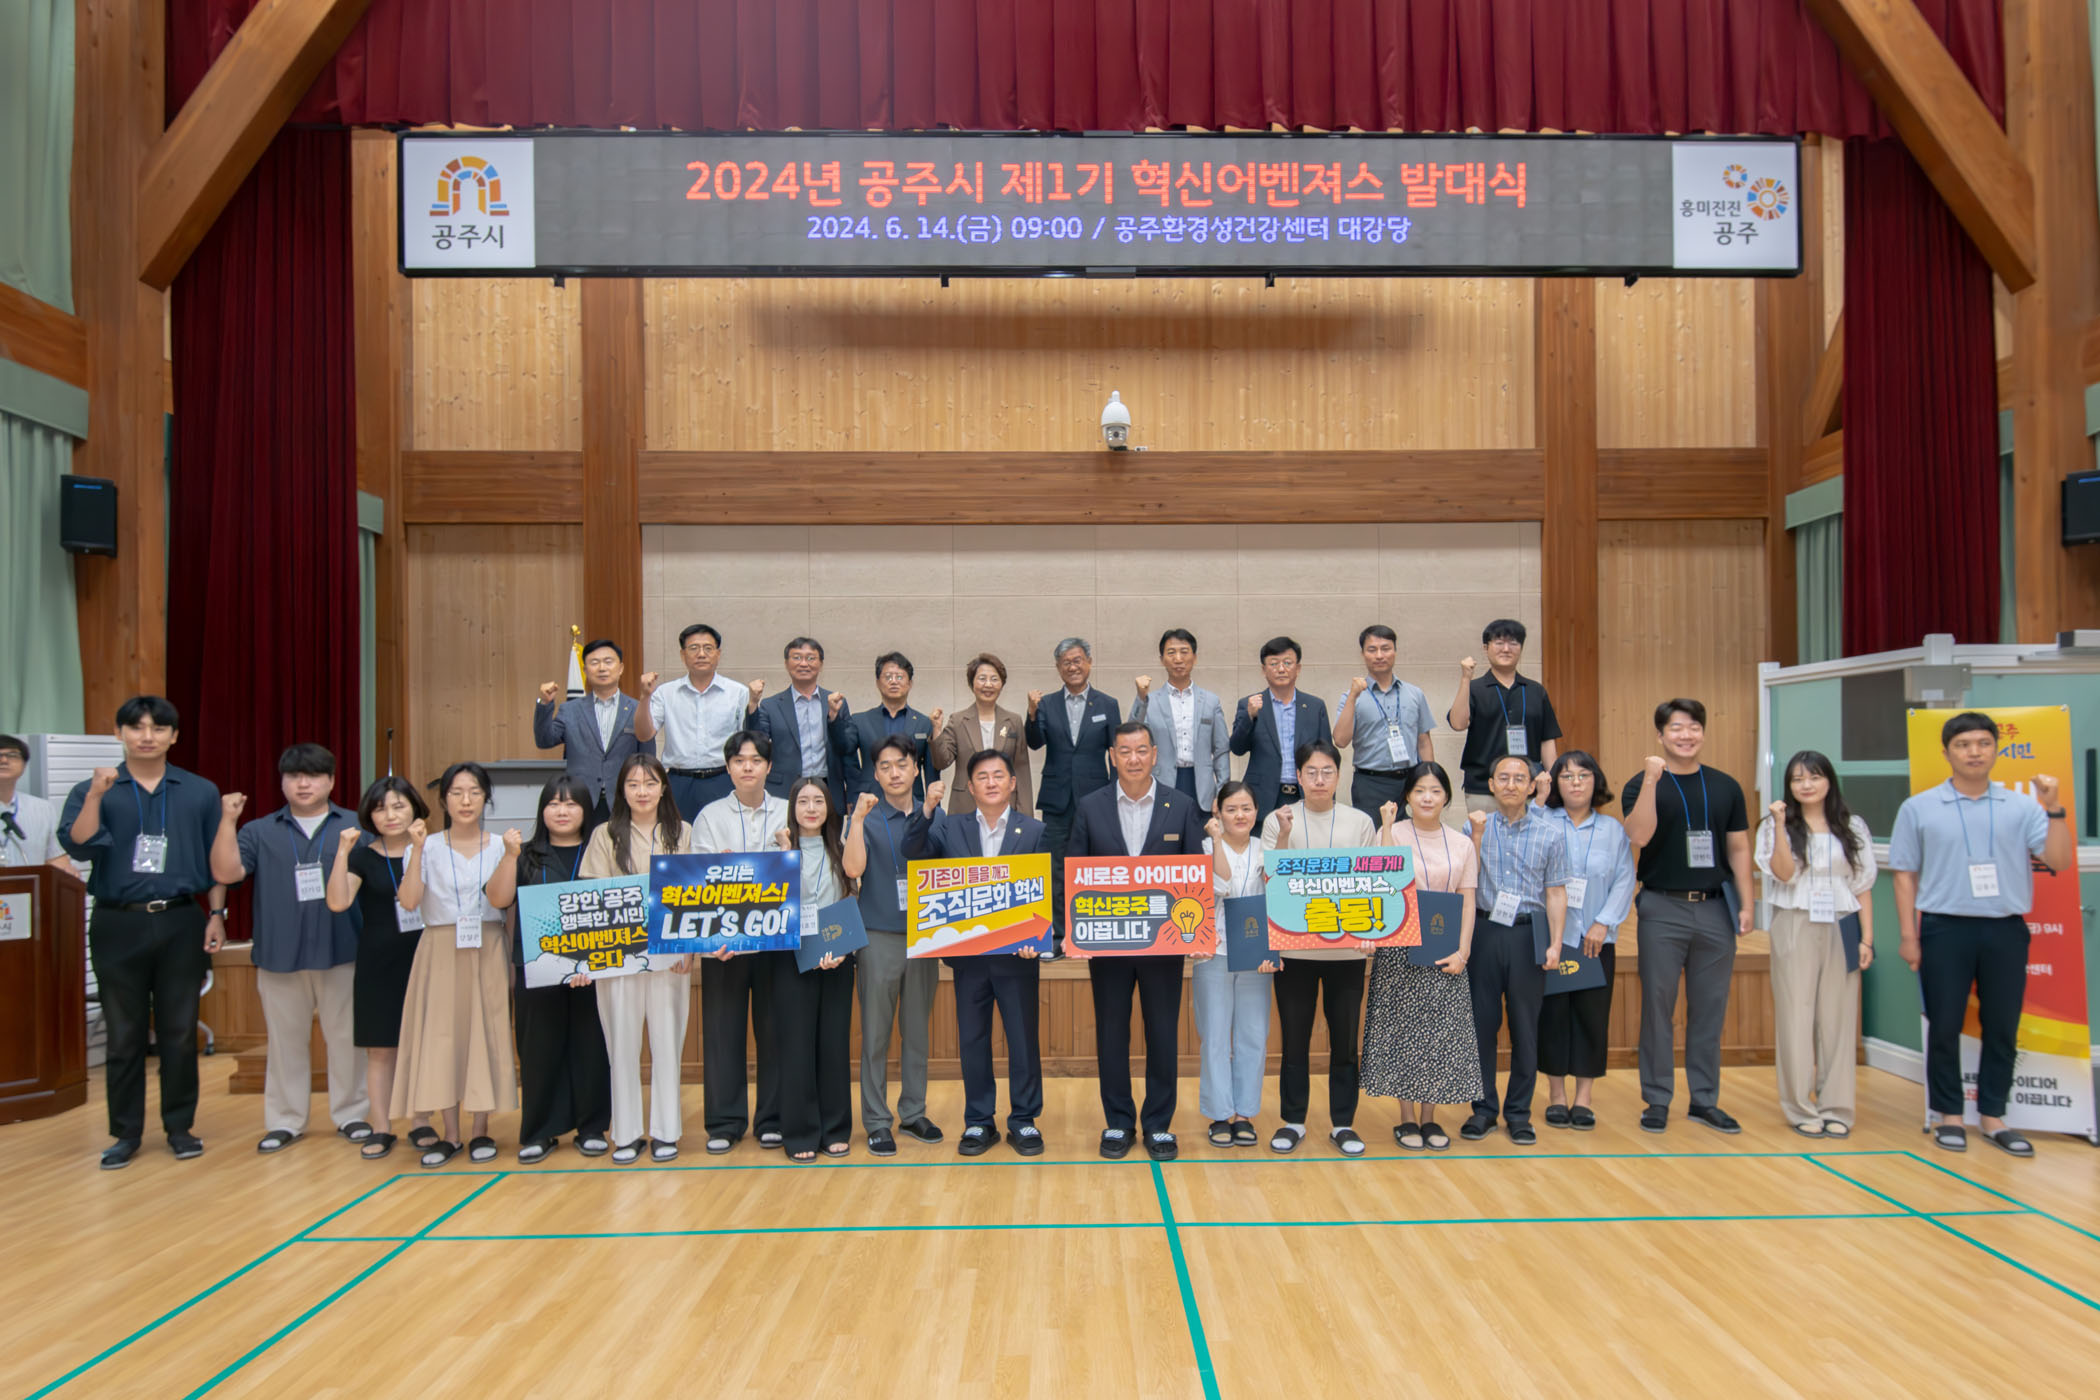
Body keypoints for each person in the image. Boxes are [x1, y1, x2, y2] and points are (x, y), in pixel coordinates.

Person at [1890, 712, 2070, 1158]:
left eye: (1983, 743)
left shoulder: (2022, 806)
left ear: (1995, 749)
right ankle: (1949, 1115)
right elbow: (1904, 874)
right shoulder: (1919, 807)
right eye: (1964, 744)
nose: (1974, 752)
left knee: (2002, 1025)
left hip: (2004, 928)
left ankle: (1993, 1117)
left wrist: (2054, 809)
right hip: (1943, 927)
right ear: (1947, 752)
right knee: (1945, 1024)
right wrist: (1909, 935)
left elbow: (2059, 860)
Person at [59, 696, 229, 1170]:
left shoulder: (199, 791)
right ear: (119, 734)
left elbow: (217, 859)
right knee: (123, 1034)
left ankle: (180, 1128)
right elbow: (80, 845)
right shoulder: (95, 788)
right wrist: (96, 796)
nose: (147, 736)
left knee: (179, 1031)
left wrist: (218, 914)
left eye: (158, 728)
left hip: (181, 919)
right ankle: (125, 1133)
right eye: (136, 727)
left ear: (175, 736)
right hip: (118, 921)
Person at [210, 744, 372, 1154]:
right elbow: (227, 872)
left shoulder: (356, 827)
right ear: (281, 782)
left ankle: (352, 1114)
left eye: (313, 775)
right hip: (280, 953)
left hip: (344, 949)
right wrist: (227, 820)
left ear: (331, 781)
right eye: (294, 776)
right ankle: (285, 1120)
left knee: (348, 1039)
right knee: (285, 1043)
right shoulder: (259, 830)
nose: (303, 784)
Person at [1067, 720, 1209, 1162]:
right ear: (1112, 756)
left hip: (1163, 945)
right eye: (1125, 751)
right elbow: (1073, 868)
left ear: (1155, 754)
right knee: (1112, 1032)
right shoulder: (1090, 806)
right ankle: (1118, 1121)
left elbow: (1195, 872)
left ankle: (1159, 1124)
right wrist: (1073, 930)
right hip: (1108, 945)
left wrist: (1196, 929)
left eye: (1141, 750)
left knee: (1163, 1033)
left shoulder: (1181, 805)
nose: (1133, 759)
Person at [1621, 698, 1753, 1135]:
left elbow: (1738, 847)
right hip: (1662, 907)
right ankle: (1657, 1098)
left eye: (1693, 727)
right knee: (1658, 1008)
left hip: (1716, 907)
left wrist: (1748, 903)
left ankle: (1704, 1100)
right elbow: (1638, 835)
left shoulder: (1725, 786)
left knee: (1710, 1008)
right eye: (1676, 728)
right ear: (1660, 735)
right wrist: (1652, 779)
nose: (1685, 735)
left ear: (1703, 732)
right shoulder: (1642, 783)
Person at [919, 749, 1048, 1158]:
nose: (991, 782)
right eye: (982, 777)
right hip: (969, 960)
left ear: (1012, 783)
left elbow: (1050, 888)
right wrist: (926, 811)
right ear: (970, 787)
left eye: (998, 775)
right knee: (973, 1039)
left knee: (1023, 1040)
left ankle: (1024, 1119)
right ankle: (979, 1120)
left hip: (1018, 957)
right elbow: (914, 854)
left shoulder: (1035, 831)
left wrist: (1042, 938)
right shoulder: (949, 827)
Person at [393, 761, 521, 1167]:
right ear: (443, 799)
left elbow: (503, 902)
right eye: (456, 793)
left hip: (488, 943)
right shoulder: (426, 846)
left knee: (486, 1033)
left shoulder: (502, 845)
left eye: (474, 792)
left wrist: (512, 857)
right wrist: (415, 850)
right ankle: (450, 1134)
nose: (466, 801)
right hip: (440, 946)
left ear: (486, 799)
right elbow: (409, 901)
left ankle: (481, 1130)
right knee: (441, 1037)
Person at [1260, 739, 1377, 1156]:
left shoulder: (1360, 822)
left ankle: (1343, 1123)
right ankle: (1292, 1121)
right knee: (1294, 1040)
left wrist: (1371, 934)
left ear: (1339, 776)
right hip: (1294, 954)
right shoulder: (1278, 819)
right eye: (1311, 772)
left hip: (1347, 954)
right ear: (1298, 776)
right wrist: (1284, 835)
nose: (1319, 779)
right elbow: (1269, 880)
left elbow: (1372, 884)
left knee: (1345, 1042)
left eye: (1327, 771)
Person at [1362, 761, 1483, 1152]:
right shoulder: (1393, 833)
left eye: (1435, 790)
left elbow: (1468, 901)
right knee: (1403, 1034)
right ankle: (1407, 1118)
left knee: (1437, 1037)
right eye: (1419, 791)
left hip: (1445, 949)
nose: (1427, 798)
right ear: (1407, 797)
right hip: (1400, 949)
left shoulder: (1462, 843)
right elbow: (1382, 880)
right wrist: (1385, 826)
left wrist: (1463, 951)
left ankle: (1430, 1118)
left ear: (1447, 797)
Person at [579, 754, 693, 1164]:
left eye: (649, 783)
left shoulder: (683, 832)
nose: (642, 791)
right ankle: (626, 1134)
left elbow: (695, 897)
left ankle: (666, 1132)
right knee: (622, 1046)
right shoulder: (605, 834)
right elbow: (592, 898)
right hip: (619, 958)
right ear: (621, 790)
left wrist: (688, 949)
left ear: (663, 788)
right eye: (633, 784)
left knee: (667, 1044)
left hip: (670, 955)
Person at [1757, 751, 1876, 1140]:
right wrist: (1779, 824)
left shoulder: (1852, 826)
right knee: (1796, 1015)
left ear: (1829, 781)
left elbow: (1862, 885)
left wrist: (1867, 938)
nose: (1806, 785)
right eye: (1797, 779)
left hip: (1843, 923)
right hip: (1796, 921)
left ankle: (1837, 1107)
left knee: (1839, 1018)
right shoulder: (1774, 825)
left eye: (1814, 777)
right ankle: (1799, 1106)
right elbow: (1783, 874)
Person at [691, 730, 791, 1154]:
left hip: (775, 944)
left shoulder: (789, 810)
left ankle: (772, 1118)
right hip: (724, 946)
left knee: (776, 1031)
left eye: (756, 760)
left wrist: (787, 850)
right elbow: (699, 882)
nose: (747, 767)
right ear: (728, 767)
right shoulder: (709, 817)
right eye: (739, 760)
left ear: (769, 767)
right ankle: (724, 1122)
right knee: (721, 1033)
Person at [841, 734, 942, 1155]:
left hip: (925, 935)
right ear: (876, 774)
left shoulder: (933, 813)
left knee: (917, 1031)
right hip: (878, 935)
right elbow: (852, 870)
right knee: (876, 1033)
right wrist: (857, 821)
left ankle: (914, 1112)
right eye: (884, 766)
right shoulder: (864, 816)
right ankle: (877, 1120)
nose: (894, 772)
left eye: (902, 764)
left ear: (916, 769)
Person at [325, 775, 434, 1160]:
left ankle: (421, 1120)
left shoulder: (432, 851)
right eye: (380, 808)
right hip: (377, 961)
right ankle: (382, 1126)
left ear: (415, 809)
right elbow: (337, 902)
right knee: (381, 1050)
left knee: (422, 1045)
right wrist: (341, 851)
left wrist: (418, 850)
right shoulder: (362, 856)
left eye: (399, 806)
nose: (390, 815)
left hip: (425, 957)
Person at [1462, 754, 1567, 1145]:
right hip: (1485, 931)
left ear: (1532, 786)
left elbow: (1556, 892)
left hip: (1528, 934)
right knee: (1481, 1025)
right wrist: (1475, 837)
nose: (1510, 784)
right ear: (1491, 785)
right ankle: (1483, 1110)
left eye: (1519, 778)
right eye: (1503, 778)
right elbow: (1465, 883)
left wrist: (1556, 943)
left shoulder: (1550, 834)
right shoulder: (1473, 827)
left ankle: (1519, 1113)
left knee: (1526, 1028)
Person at [511, 777, 613, 1163]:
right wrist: (507, 857)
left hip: (592, 968)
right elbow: (500, 899)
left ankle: (592, 1127)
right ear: (542, 811)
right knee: (539, 1050)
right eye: (553, 803)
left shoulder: (600, 851)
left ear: (586, 810)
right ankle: (539, 1131)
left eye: (571, 804)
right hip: (537, 969)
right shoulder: (525, 854)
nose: (562, 811)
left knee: (591, 1048)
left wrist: (589, 961)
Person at [1537, 752, 1636, 1131]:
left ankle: (1583, 1098)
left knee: (1592, 1018)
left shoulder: (1612, 830)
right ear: (1556, 783)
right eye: (1567, 776)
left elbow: (1624, 879)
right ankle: (1556, 1096)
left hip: (1596, 940)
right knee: (1553, 1017)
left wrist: (1603, 923)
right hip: (1553, 938)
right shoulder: (1543, 822)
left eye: (1583, 775)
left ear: (1596, 781)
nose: (1576, 782)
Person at [771, 777, 858, 1162]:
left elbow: (853, 896)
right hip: (792, 957)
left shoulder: (841, 847)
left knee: (834, 1044)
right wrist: (785, 852)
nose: (811, 808)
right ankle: (800, 1132)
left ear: (829, 808)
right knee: (796, 1045)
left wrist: (839, 949)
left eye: (818, 801)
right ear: (793, 808)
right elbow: (775, 903)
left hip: (837, 955)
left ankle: (835, 1129)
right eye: (803, 801)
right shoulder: (777, 850)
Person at [1196, 780, 1277, 1147]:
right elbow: (1221, 885)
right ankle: (1219, 1114)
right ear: (1218, 812)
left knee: (1253, 1035)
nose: (1240, 815)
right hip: (1212, 951)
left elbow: (1279, 899)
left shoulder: (1266, 848)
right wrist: (1216, 841)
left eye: (1246, 808)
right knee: (1214, 1035)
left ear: (1257, 812)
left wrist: (1272, 952)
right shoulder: (1203, 847)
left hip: (1256, 955)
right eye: (1231, 809)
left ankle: (1244, 1114)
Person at [1027, 636, 1118, 948]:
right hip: (1057, 799)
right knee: (1054, 867)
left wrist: (1115, 796)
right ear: (1058, 667)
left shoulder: (1107, 704)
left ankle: (1091, 930)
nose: (1073, 667)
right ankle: (1057, 934)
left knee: (1095, 864)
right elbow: (1035, 742)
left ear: (1089, 663)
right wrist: (1031, 714)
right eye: (1066, 662)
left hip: (1097, 798)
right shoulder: (1047, 703)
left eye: (1077, 660)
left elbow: (1116, 754)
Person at [633, 623, 759, 819]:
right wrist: (644, 697)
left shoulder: (738, 693)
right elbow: (644, 734)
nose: (701, 654)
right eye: (693, 648)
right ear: (682, 655)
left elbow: (750, 740)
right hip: (678, 781)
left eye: (708, 648)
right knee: (677, 836)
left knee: (723, 835)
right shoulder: (666, 693)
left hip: (723, 780)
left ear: (718, 654)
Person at [1448, 620, 1563, 815]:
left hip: (1528, 787)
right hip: (1483, 787)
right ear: (1486, 648)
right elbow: (1458, 723)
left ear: (1521, 648)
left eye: (1513, 643)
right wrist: (1465, 679)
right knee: (1484, 834)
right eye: (1499, 643)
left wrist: (1552, 781)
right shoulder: (1474, 688)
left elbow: (1547, 740)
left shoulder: (1536, 691)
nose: (1506, 649)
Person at [533, 638, 648, 829]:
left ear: (620, 668)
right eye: (594, 662)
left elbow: (647, 758)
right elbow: (544, 740)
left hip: (624, 800)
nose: (602, 668)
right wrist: (545, 704)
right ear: (585, 670)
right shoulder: (570, 710)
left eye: (608, 662)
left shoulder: (638, 709)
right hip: (580, 800)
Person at [1332, 625, 1436, 824]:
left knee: (1412, 836)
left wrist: (1430, 778)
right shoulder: (1351, 696)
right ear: (1363, 654)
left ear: (1395, 651)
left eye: (1385, 648)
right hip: (1370, 783)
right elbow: (1340, 740)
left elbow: (1423, 741)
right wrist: (1353, 696)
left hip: (1411, 780)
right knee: (1373, 839)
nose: (1379, 655)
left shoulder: (1414, 694)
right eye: (1372, 649)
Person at [1230, 636, 1333, 822]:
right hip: (1263, 795)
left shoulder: (1314, 706)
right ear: (1264, 670)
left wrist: (1328, 798)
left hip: (1305, 793)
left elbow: (1327, 755)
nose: (1281, 669)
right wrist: (1249, 717)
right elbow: (1237, 748)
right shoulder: (1249, 704)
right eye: (1273, 663)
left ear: (1298, 668)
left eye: (1287, 663)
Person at [1129, 629, 1230, 808]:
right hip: (1161, 784)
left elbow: (1221, 749)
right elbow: (1131, 736)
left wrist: (1222, 794)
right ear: (1162, 659)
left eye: (1184, 652)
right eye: (1171, 653)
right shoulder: (1150, 701)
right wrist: (1140, 698)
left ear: (1194, 657)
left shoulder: (1210, 701)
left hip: (1202, 788)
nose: (1178, 659)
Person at [928, 652, 1033, 818]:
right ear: (972, 684)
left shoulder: (1014, 721)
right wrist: (936, 730)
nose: (988, 684)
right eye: (982, 678)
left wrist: (1025, 815)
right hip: (965, 805)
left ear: (1002, 684)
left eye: (994, 679)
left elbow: (1022, 771)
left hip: (1005, 805)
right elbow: (941, 762)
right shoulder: (958, 720)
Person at [753, 636, 850, 811]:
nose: (804, 663)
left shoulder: (836, 702)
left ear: (821, 664)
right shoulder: (770, 705)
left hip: (827, 788)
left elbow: (846, 749)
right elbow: (756, 744)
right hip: (784, 790)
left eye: (811, 658)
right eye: (797, 657)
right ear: (786, 664)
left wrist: (834, 717)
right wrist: (753, 704)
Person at [838, 651, 936, 803]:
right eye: (888, 677)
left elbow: (931, 771)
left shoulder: (924, 723)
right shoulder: (860, 721)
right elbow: (846, 757)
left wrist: (933, 806)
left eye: (899, 677)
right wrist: (852, 797)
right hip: (871, 800)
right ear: (878, 683)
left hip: (912, 802)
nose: (894, 681)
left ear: (910, 683)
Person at [0, 734, 68, 867]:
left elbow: (56, 858)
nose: (4, 760)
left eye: (12, 755)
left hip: (33, 881)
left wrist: (68, 873)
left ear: (24, 765)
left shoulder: (43, 808)